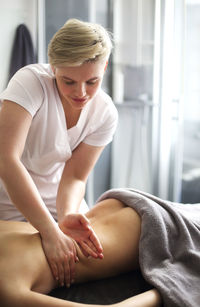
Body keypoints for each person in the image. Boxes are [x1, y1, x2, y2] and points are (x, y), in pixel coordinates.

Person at [0, 18, 118, 286]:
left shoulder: (105, 113)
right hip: (8, 197)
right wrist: (49, 232)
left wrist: (66, 217)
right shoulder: (30, 82)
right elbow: (7, 161)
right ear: (53, 67)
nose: (81, 93)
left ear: (105, 67)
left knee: (91, 256)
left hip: (59, 200)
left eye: (92, 81)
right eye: (68, 81)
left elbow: (75, 176)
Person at [0, 197, 162, 307]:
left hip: (142, 230)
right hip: (118, 204)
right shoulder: (6, 289)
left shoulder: (6, 289)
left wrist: (160, 293)